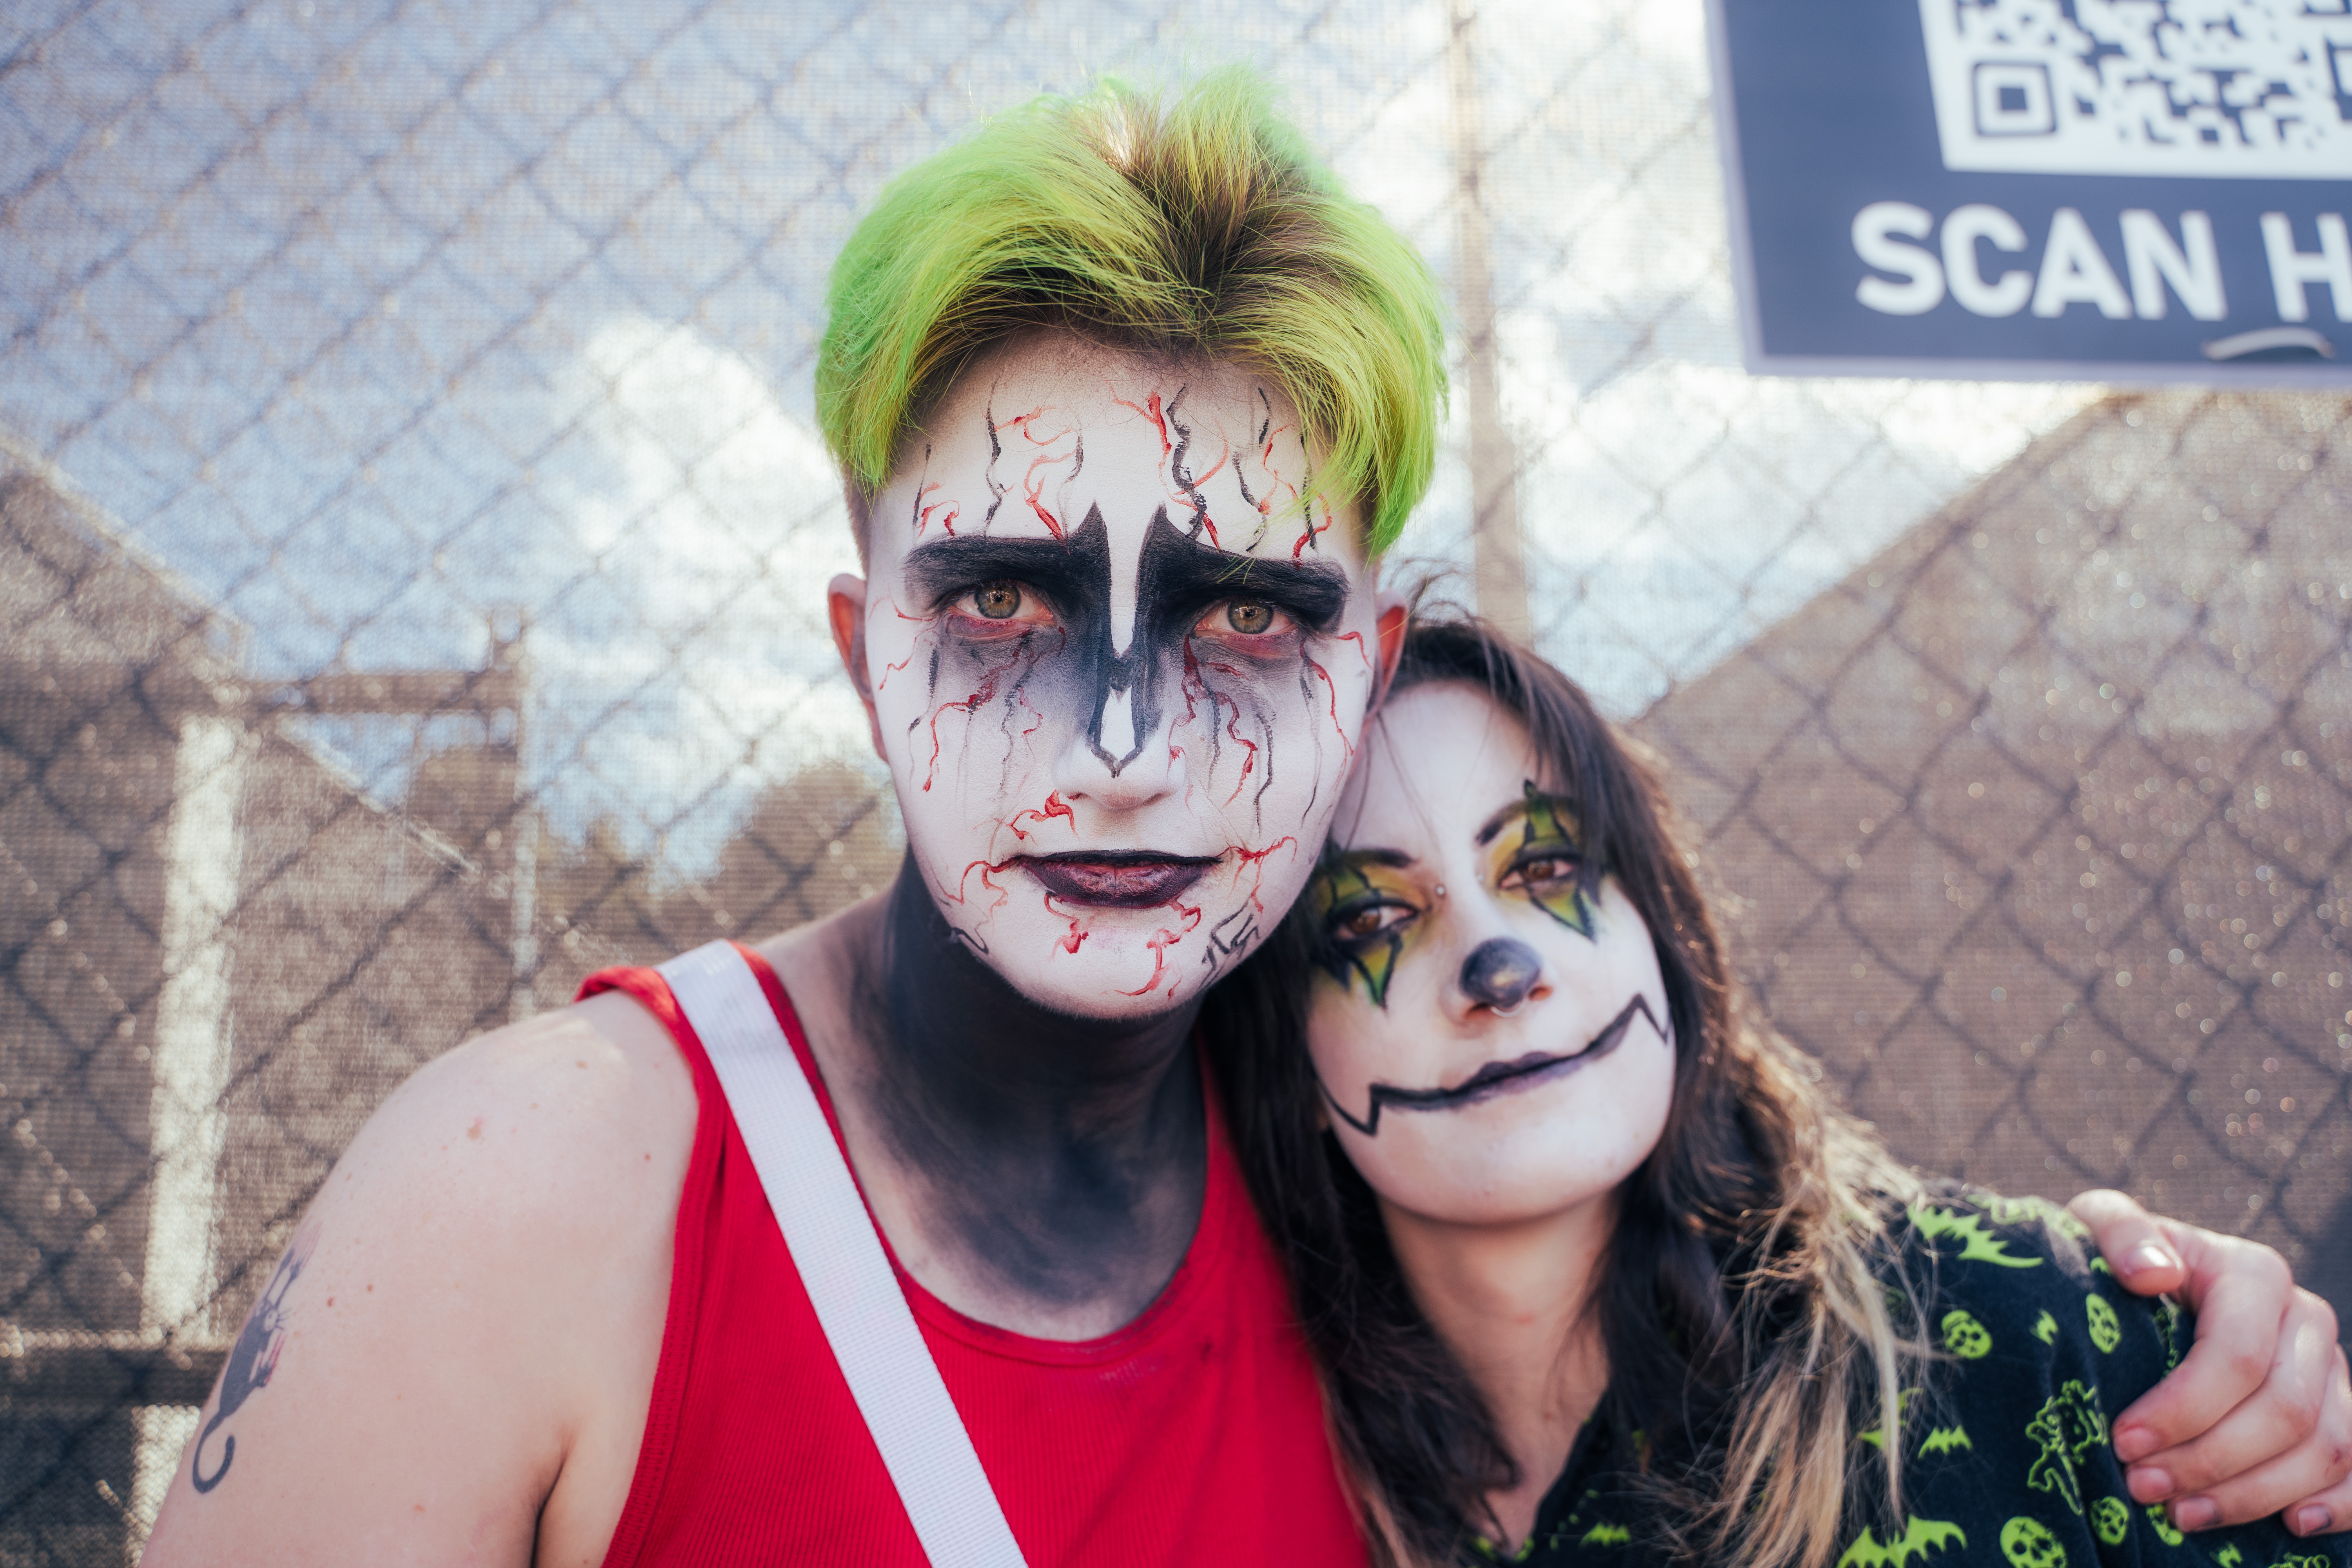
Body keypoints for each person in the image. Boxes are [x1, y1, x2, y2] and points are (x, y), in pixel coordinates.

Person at [141, 72, 2351, 1567]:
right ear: (860, 645)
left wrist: (2149, 1323)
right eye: (1002, 599)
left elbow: (1789, 1272)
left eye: (1241, 617)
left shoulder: (1388, 1184)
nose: (1117, 742)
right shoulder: (547, 1196)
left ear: (1366, 665)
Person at [1204, 613, 2352, 1567]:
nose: (1504, 969)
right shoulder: (1238, 1480)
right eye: (1368, 919)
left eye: (1547, 867)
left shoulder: (2039, 1336)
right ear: (1284, 1058)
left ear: (1661, 929)